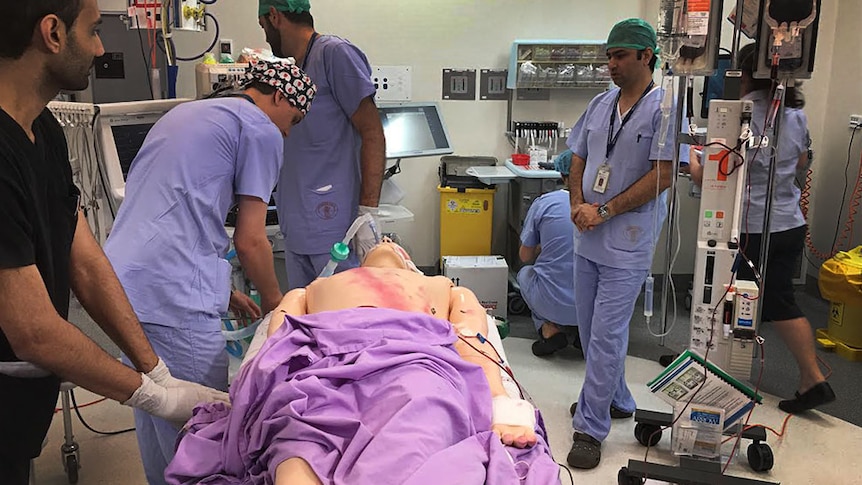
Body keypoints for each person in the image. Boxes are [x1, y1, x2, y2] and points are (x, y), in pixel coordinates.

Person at [0, 2, 228, 483]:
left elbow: (81, 258)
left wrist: (156, 369)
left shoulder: (42, 129)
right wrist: (153, 398)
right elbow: (33, 330)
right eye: (94, 30)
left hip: (18, 418)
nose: (102, 48)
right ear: (53, 33)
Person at [165, 241, 561, 485]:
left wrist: (500, 404)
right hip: (327, 361)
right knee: (299, 427)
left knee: (421, 411)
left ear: (409, 262)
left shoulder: (440, 286)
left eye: (393, 244)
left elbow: (472, 340)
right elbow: (280, 334)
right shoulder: (315, 287)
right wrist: (265, 385)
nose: (385, 243)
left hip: (412, 359)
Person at [103, 59, 316, 484]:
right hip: (171, 295)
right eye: (292, 120)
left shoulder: (187, 113)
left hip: (117, 285)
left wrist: (223, 291)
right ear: (277, 97)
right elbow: (251, 241)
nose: (288, 133)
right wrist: (279, 309)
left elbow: (177, 212)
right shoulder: (260, 129)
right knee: (205, 430)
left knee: (155, 408)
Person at [688, 42, 835, 414]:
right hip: (789, 223)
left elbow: (714, 174)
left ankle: (812, 378)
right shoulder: (794, 115)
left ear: (745, 73)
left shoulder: (742, 115)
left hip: (755, 226)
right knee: (764, 297)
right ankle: (729, 364)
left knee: (759, 300)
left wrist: (694, 161)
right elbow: (801, 159)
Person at [566, 18, 684, 469]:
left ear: (646, 56)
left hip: (626, 241)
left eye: (620, 56)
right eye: (608, 55)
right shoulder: (600, 104)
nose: (610, 64)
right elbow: (577, 156)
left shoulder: (665, 110)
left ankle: (590, 429)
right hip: (588, 235)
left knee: (608, 334)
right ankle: (615, 398)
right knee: (590, 330)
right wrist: (578, 203)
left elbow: (665, 173)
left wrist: (605, 210)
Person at [258, 0, 387, 289]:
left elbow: (372, 132)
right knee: (305, 323)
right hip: (297, 225)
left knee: (344, 322)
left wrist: (368, 211)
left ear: (275, 16)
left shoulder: (334, 55)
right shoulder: (294, 72)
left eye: (263, 26)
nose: (265, 35)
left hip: (335, 229)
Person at [517, 149, 579, 356]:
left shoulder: (545, 203)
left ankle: (549, 328)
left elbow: (525, 257)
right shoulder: (602, 209)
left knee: (524, 274)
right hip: (594, 305)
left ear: (561, 174)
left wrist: (542, 246)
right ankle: (584, 333)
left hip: (552, 302)